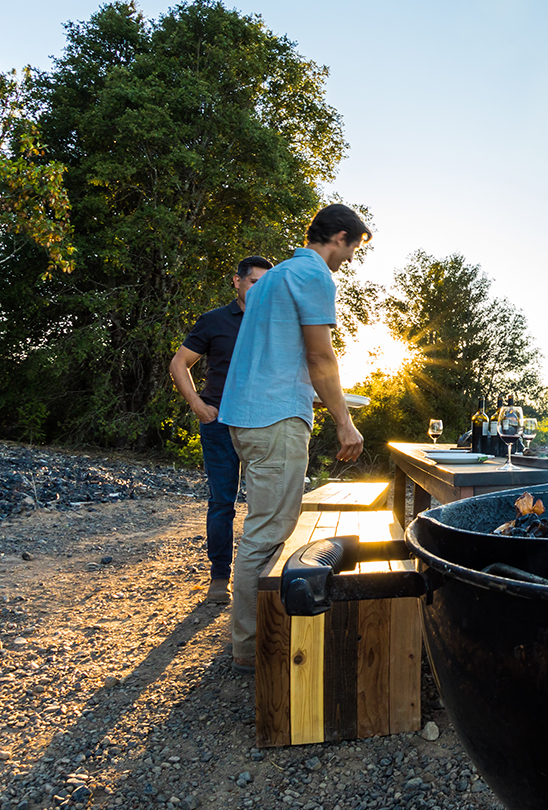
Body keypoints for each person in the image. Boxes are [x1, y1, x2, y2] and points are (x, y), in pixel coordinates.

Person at [217, 204, 368, 673]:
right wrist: (346, 422)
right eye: (352, 249)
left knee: (263, 530)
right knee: (267, 536)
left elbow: (278, 356)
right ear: (339, 237)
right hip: (275, 420)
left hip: (248, 415)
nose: (347, 260)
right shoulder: (315, 274)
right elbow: (321, 357)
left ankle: (250, 638)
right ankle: (252, 647)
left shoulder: (272, 279)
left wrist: (317, 398)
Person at [166, 255, 272, 605]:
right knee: (222, 502)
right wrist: (197, 404)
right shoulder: (213, 321)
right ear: (238, 281)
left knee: (263, 503)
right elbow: (179, 363)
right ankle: (218, 577)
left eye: (265, 284)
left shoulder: (274, 323)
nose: (260, 289)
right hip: (219, 422)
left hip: (261, 423)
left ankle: (261, 577)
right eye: (255, 282)